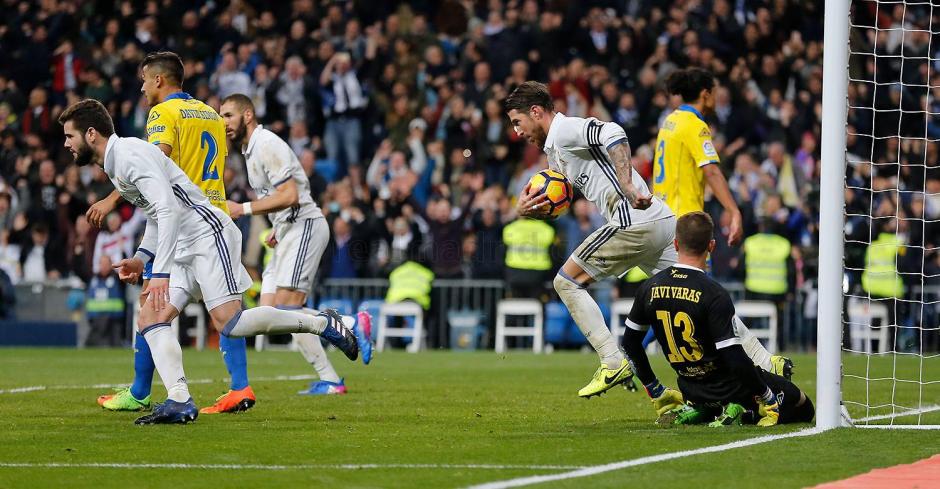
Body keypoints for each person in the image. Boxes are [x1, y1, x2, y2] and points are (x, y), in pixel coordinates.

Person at [59, 98, 362, 425]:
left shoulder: (129, 156)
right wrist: (141, 258)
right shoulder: (116, 162)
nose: (66, 144)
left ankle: (322, 323)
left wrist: (158, 273)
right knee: (150, 317)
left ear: (91, 134)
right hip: (186, 243)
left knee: (232, 324)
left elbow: (168, 210)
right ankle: (179, 400)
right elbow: (155, 214)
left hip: (207, 234)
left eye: (70, 136)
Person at [91, 51, 260, 415]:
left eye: (144, 79)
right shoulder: (211, 115)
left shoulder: (162, 113)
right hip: (215, 213)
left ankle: (141, 391)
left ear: (158, 80)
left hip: (183, 220)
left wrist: (108, 200)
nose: (141, 86)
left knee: (152, 306)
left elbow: (154, 165)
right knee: (226, 309)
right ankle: (239, 386)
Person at [506, 81, 674, 398]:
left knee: (566, 282)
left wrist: (626, 182)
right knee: (695, 294)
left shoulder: (566, 129)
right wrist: (529, 209)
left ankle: (612, 362)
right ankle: (764, 362)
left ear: (536, 111)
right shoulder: (555, 154)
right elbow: (561, 200)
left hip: (631, 220)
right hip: (659, 221)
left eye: (518, 122)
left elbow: (613, 132)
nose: (517, 131)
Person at [220, 94, 372, 396]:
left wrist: (244, 208)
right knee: (268, 314)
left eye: (227, 115)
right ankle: (331, 379)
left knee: (288, 309)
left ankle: (350, 324)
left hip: (304, 226)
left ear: (247, 115)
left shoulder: (267, 144)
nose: (222, 123)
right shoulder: (250, 152)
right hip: (287, 231)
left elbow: (291, 195)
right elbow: (280, 199)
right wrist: (277, 225)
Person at [654, 67, 792, 379]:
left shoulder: (670, 121)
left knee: (672, 302)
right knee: (708, 303)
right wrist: (734, 210)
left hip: (662, 219)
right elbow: (712, 171)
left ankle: (633, 355)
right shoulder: (694, 124)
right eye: (715, 91)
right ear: (705, 94)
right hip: (687, 225)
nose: (717, 97)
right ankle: (738, 373)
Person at [622, 212, 814, 427]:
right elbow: (733, 356)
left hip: (691, 389)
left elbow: (629, 343)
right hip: (732, 388)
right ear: (711, 246)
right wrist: (766, 395)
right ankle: (744, 412)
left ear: (675, 244)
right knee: (804, 406)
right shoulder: (714, 293)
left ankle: (704, 409)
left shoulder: (650, 287)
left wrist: (655, 389)